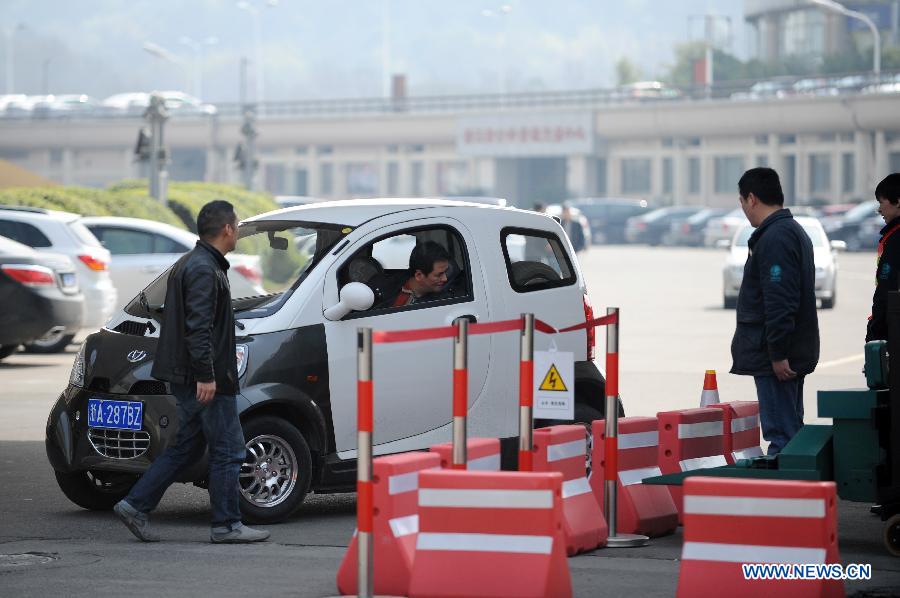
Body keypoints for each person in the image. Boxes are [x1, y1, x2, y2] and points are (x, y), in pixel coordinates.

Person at [114, 200, 270, 544]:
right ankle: (227, 525)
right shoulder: (203, 268)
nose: (239, 230)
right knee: (230, 449)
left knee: (187, 446)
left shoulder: (196, 262)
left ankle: (135, 505)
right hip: (202, 378)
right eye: (238, 224)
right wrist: (207, 375)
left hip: (190, 375)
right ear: (227, 229)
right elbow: (197, 328)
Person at [729, 167, 819, 455]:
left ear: (752, 198)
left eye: (742, 202)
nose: (743, 209)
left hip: (776, 358)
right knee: (791, 429)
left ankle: (788, 496)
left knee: (782, 437)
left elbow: (780, 301)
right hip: (784, 352)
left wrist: (778, 353)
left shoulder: (776, 237)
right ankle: (800, 494)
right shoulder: (790, 231)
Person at [866, 173, 900, 342]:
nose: (879, 209)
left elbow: (886, 291)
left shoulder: (895, 240)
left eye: (881, 202)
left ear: (898, 201)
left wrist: (873, 332)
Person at [380, 241, 453, 308]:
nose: (445, 278)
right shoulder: (387, 288)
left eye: (445, 272)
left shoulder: (443, 302)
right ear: (418, 275)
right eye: (439, 275)